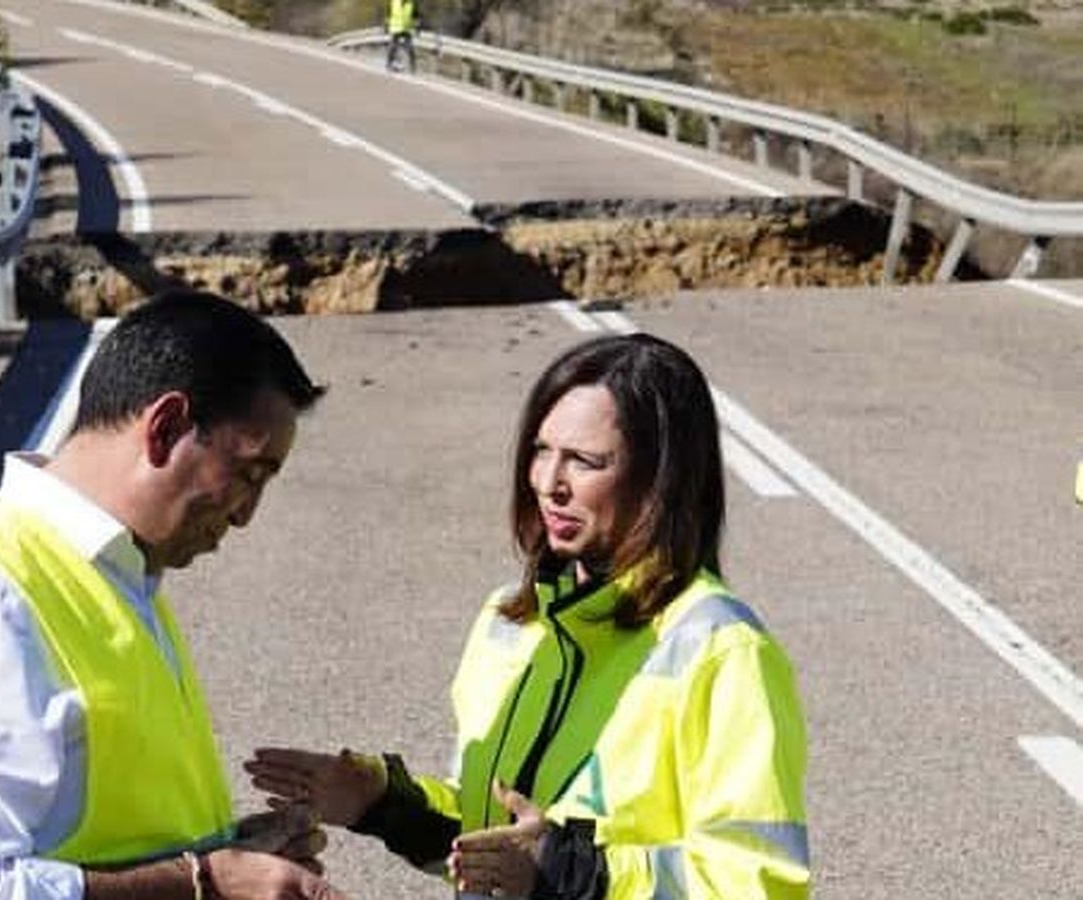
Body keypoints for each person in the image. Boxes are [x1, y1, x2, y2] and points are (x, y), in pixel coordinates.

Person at [245, 334, 808, 899]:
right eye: (541, 450)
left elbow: (758, 882)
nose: (548, 483)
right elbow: (489, 832)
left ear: (661, 476)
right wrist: (383, 803)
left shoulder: (720, 650)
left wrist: (568, 872)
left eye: (585, 461)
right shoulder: (510, 622)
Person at [0, 290, 342, 900]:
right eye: (248, 474)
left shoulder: (115, 574)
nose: (246, 514)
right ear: (165, 428)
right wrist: (206, 882)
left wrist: (229, 853)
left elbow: (104, 829)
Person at [385, 0, 418, 73]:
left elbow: (415, 16)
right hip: (396, 27)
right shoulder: (393, 1)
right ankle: (389, 63)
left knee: (410, 47)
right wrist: (386, 25)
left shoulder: (412, 3)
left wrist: (416, 27)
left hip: (407, 29)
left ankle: (413, 67)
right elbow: (388, 14)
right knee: (393, 46)